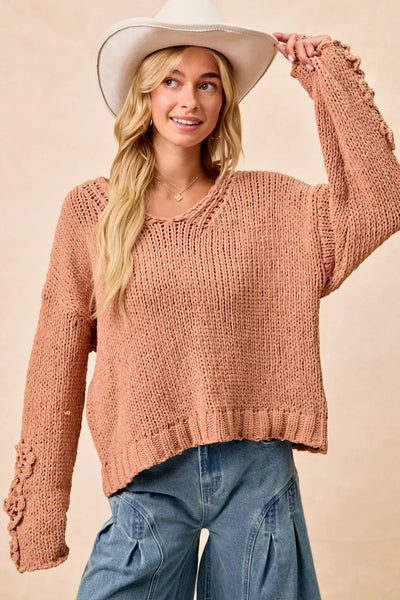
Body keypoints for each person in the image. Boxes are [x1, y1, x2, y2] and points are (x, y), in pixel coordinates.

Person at [4, 0, 400, 598]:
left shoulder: (274, 206)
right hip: (148, 475)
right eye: (172, 80)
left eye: (207, 84)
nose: (189, 100)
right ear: (145, 93)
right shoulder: (92, 211)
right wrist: (40, 512)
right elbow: (55, 364)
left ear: (223, 101)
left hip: (256, 473)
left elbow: (380, 201)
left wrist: (331, 81)